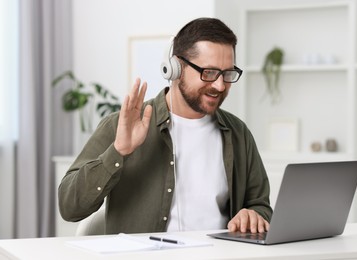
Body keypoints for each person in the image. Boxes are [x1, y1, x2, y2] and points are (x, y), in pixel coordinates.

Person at [58, 17, 273, 235]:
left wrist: (254, 215)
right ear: (175, 68)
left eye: (227, 74)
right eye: (208, 73)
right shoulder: (122, 125)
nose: (219, 85)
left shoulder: (238, 133)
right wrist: (118, 151)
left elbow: (260, 206)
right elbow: (69, 207)